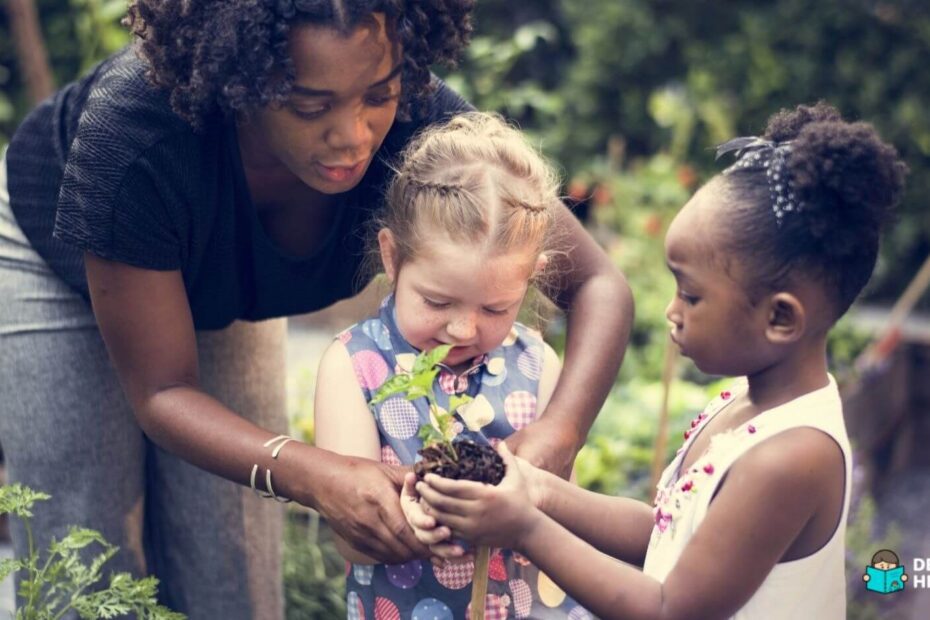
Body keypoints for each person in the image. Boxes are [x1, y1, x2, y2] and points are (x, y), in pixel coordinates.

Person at [0, 1, 634, 617]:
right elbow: (163, 391)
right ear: (242, 83)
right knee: (85, 554)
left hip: (223, 287)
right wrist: (313, 474)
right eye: (310, 106)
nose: (353, 136)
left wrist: (559, 432)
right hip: (59, 262)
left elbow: (599, 284)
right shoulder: (134, 138)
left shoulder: (423, 124)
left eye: (377, 97)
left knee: (232, 567)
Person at [410, 103, 908, 619]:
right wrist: (540, 492)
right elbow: (665, 534)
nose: (671, 311)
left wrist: (525, 529)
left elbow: (670, 608)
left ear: (780, 319)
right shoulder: (745, 404)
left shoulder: (790, 458)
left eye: (691, 296)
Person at [314, 112, 590, 619]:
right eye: (437, 303)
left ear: (533, 278)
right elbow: (351, 539)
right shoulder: (354, 367)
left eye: (494, 308)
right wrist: (414, 524)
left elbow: (557, 509)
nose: (463, 331)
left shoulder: (537, 364)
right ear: (392, 258)